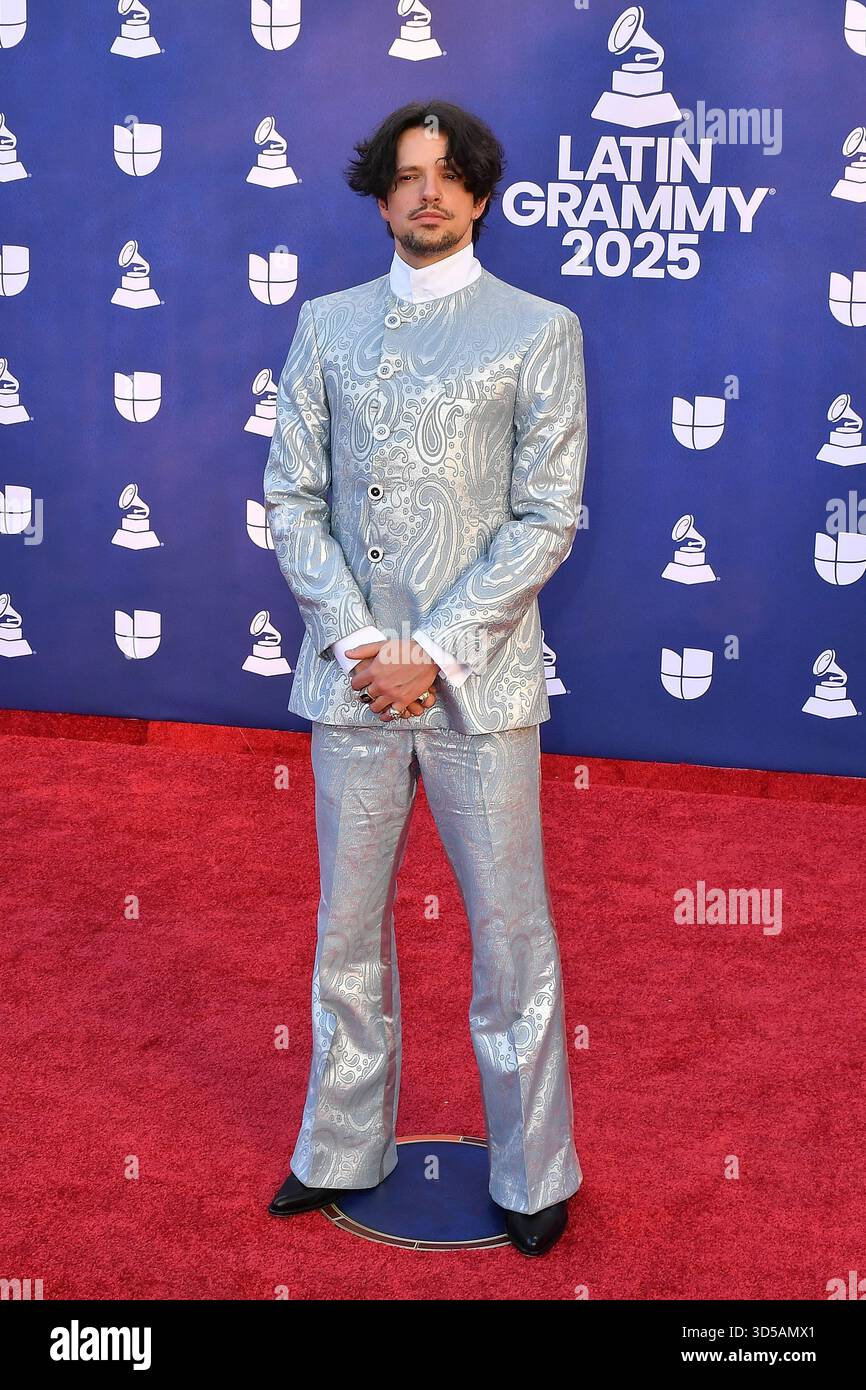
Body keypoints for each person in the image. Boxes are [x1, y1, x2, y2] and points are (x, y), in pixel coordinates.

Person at [263, 99, 588, 1257]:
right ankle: (338, 1147)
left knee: (509, 937)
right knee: (345, 932)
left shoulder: (537, 329)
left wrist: (432, 651)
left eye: (448, 175)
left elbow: (547, 516)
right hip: (349, 684)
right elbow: (290, 499)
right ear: (378, 193)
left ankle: (535, 1167)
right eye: (406, 175)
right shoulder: (324, 325)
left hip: (480, 685)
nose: (427, 193)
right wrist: (363, 645)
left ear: (482, 194)